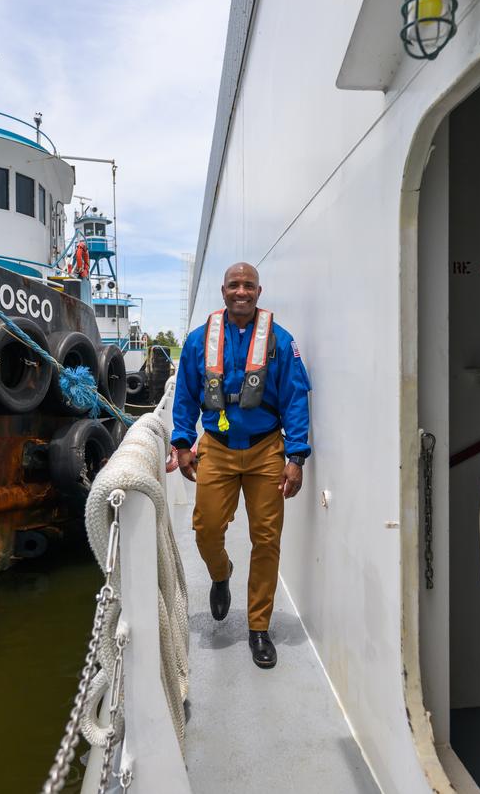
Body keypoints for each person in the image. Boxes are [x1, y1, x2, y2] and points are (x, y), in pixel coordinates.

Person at [168, 262, 311, 669]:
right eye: (235, 285)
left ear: (259, 292)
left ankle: (259, 628)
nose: (241, 292)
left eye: (248, 285)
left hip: (268, 449)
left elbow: (296, 400)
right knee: (206, 528)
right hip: (216, 445)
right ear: (223, 291)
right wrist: (181, 444)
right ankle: (221, 573)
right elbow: (185, 398)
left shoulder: (280, 342)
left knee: (266, 539)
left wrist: (295, 456)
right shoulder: (199, 342)